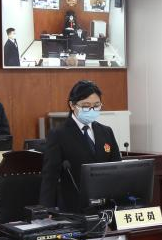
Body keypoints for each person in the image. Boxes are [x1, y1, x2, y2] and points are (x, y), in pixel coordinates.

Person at [40, 80, 122, 213]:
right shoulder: (58, 134)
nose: (92, 110)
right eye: (86, 106)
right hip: (73, 208)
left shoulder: (106, 131)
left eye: (96, 106)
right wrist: (46, 210)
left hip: (104, 206)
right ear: (72, 105)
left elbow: (118, 168)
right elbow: (50, 176)